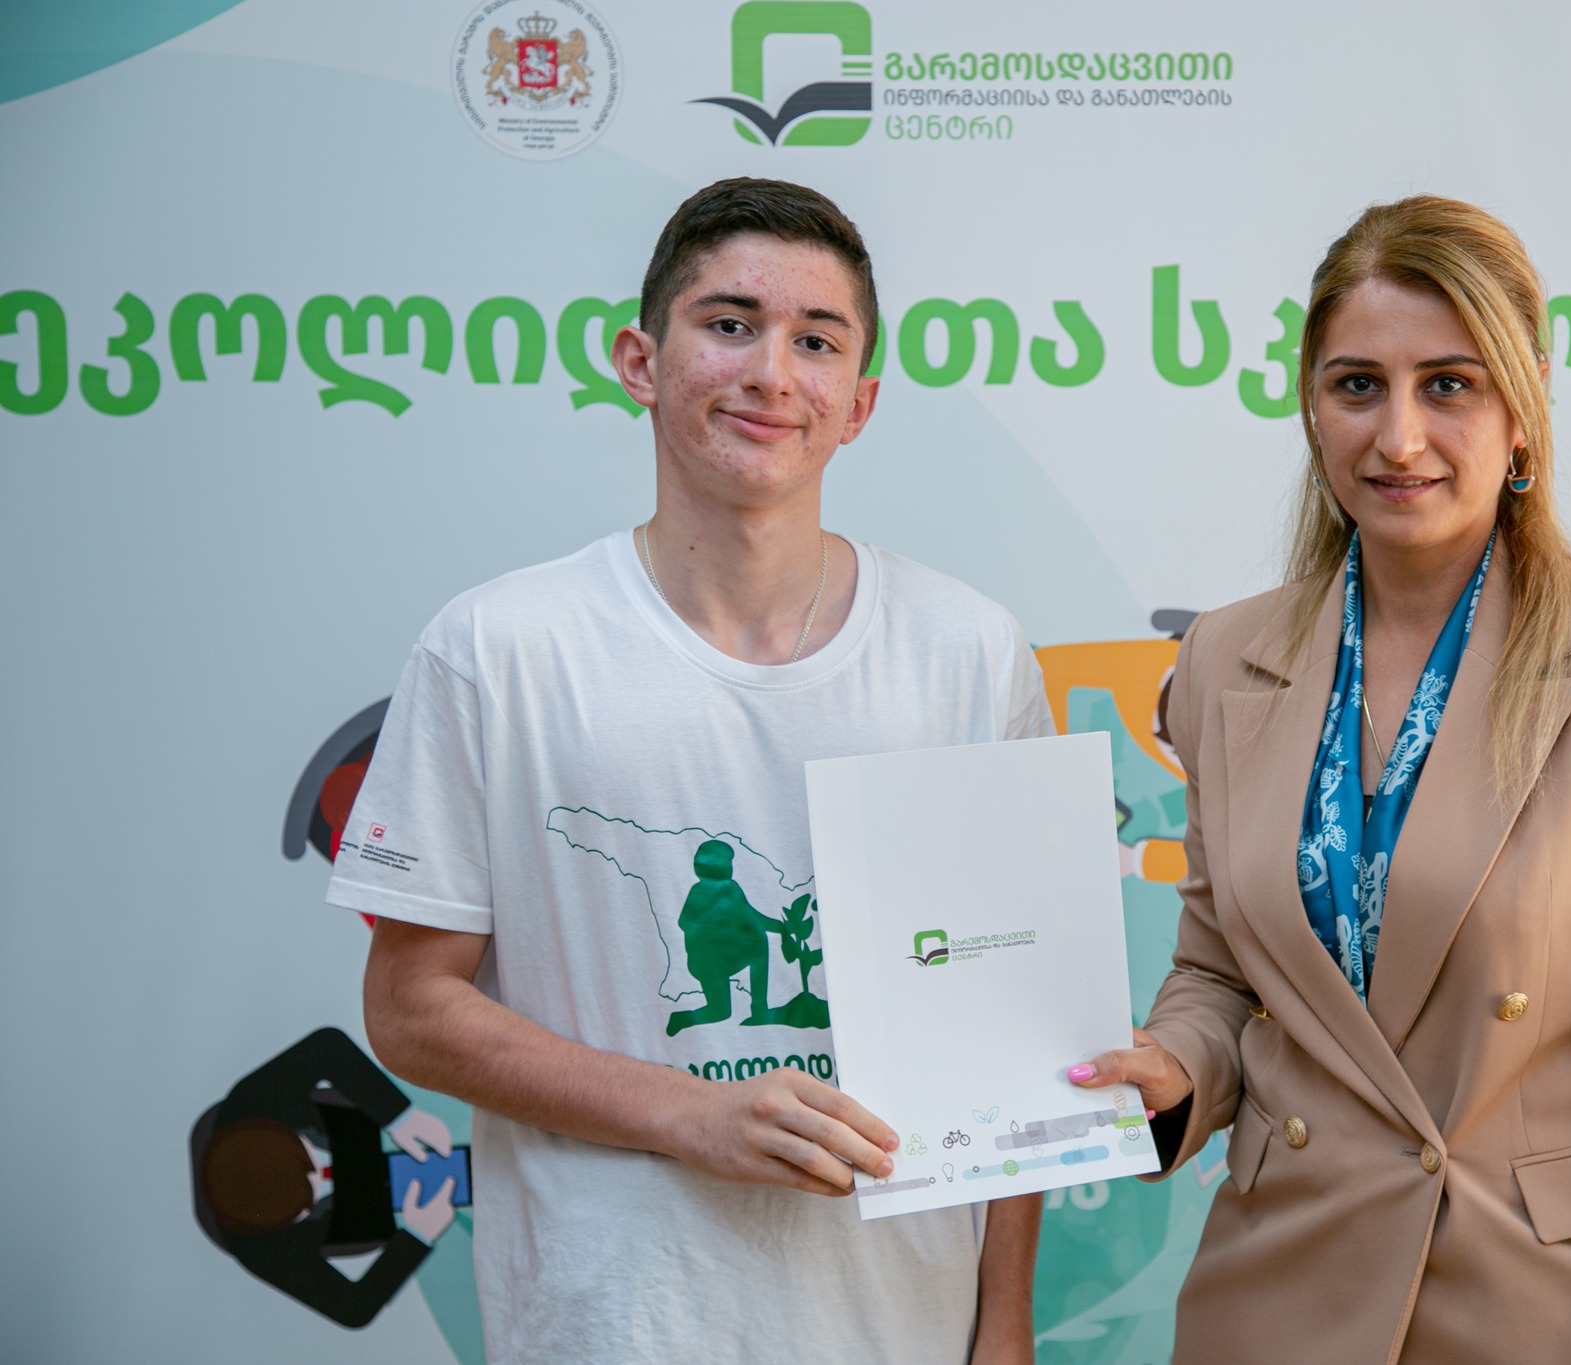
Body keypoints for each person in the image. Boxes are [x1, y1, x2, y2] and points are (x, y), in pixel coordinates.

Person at [330, 177, 1048, 1365]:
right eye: (728, 324)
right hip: (608, 1329)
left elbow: (1008, 1030)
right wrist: (688, 1113)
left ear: (859, 402)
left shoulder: (968, 652)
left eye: (815, 341)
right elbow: (407, 1010)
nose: (771, 373)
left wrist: (1005, 1322)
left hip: (901, 1331)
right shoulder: (499, 648)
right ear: (640, 360)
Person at [1074, 195, 1571, 1361]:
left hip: (1535, 1315)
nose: (1397, 437)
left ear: (1524, 407)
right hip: (1273, 1303)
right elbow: (1219, 972)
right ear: (1311, 406)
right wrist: (1172, 1068)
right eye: (1357, 385)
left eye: (1447, 385)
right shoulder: (1221, 657)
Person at [190, 1027, 459, 1328]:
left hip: (344, 1126)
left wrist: (401, 1117)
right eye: (312, 1193)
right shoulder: (263, 1253)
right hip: (356, 1219)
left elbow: (327, 1046)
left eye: (314, 1165)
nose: (328, 1175)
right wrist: (417, 1235)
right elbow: (353, 1309)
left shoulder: (252, 1100)